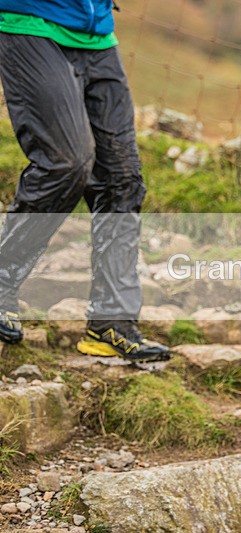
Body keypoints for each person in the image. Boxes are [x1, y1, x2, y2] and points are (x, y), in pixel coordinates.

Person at [0, 1, 170, 362]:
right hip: (29, 23)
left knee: (122, 178)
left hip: (97, 32)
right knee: (66, 163)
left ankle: (111, 323)